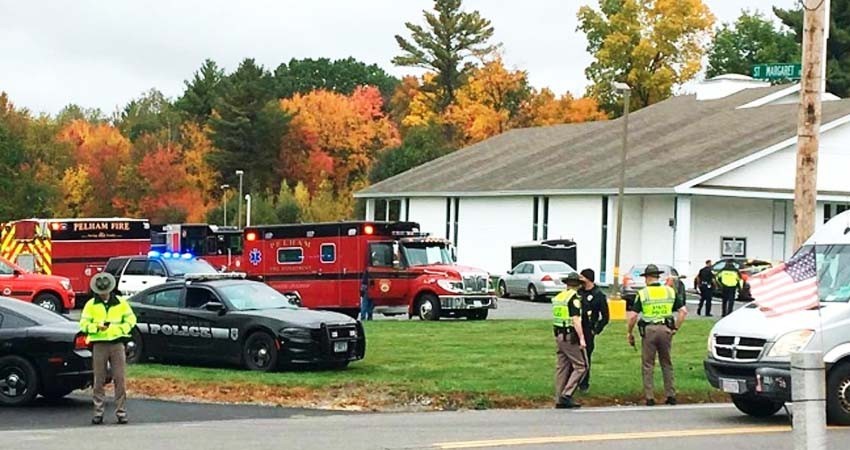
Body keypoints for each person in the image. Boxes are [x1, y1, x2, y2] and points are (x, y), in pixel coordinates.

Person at [79, 272, 137, 425]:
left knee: (120, 378)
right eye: (100, 291)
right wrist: (96, 327)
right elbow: (83, 324)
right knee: (99, 380)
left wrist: (120, 329)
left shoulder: (121, 303)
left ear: (110, 289)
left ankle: (121, 412)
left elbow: (131, 320)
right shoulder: (91, 305)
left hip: (117, 343)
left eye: (105, 291)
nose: (103, 293)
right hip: (99, 344)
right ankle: (98, 412)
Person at [626, 264, 687, 406]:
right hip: (666, 329)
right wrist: (675, 328)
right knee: (666, 363)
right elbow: (683, 312)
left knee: (648, 364)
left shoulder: (643, 293)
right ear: (658, 277)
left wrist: (629, 332)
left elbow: (633, 316)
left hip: (650, 330)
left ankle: (649, 397)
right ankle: (671, 395)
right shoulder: (669, 292)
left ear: (647, 278)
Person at [551, 272, 587, 409]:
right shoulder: (574, 298)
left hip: (559, 335)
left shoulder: (559, 297)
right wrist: (582, 338)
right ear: (578, 284)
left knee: (562, 367)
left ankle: (559, 398)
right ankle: (567, 394)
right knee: (581, 366)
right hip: (569, 336)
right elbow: (575, 319)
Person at [577, 268, 609, 392]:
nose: (580, 280)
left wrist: (596, 330)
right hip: (577, 328)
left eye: (582, 277)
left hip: (588, 329)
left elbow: (605, 316)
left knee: (586, 358)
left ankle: (584, 384)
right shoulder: (578, 293)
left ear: (588, 278)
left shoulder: (598, 295)